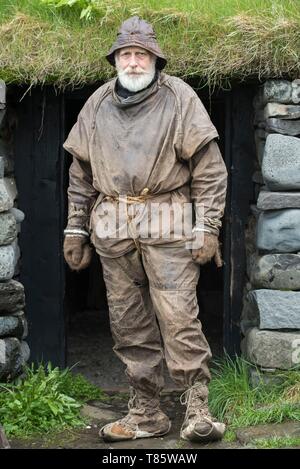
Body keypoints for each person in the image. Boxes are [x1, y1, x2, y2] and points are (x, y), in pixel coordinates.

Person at [63, 16, 228, 443]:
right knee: (128, 324)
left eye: (141, 55)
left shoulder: (180, 98)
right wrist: (75, 230)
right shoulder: (97, 104)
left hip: (168, 225)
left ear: (155, 59)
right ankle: (146, 413)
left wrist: (208, 226)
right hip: (114, 228)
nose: (133, 62)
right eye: (126, 54)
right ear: (115, 59)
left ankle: (197, 409)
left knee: (178, 317)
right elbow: (80, 175)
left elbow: (209, 171)